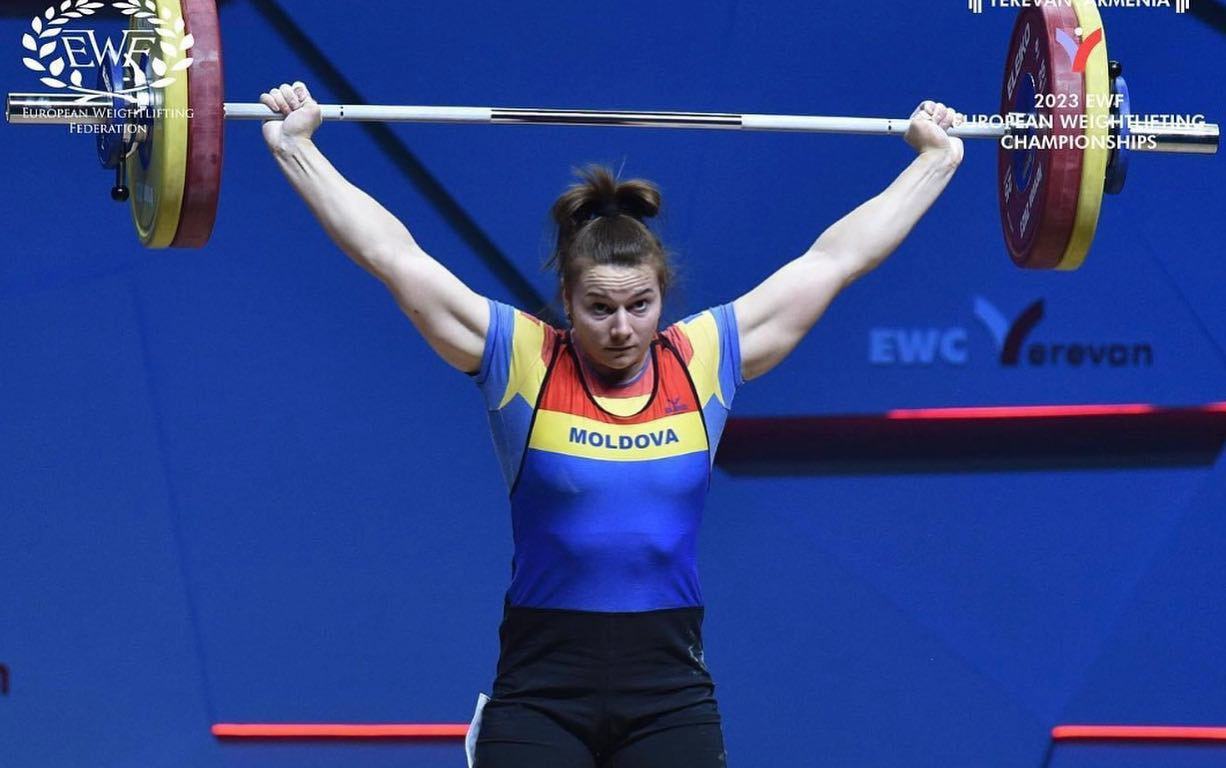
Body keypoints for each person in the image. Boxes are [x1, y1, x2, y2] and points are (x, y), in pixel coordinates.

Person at [261, 81, 964, 768]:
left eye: (640, 305)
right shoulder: (523, 359)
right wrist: (298, 150)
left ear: (663, 295)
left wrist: (934, 162)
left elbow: (835, 260)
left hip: (669, 691)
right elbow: (393, 257)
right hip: (540, 690)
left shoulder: (704, 359)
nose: (622, 328)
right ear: (567, 301)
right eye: (600, 308)